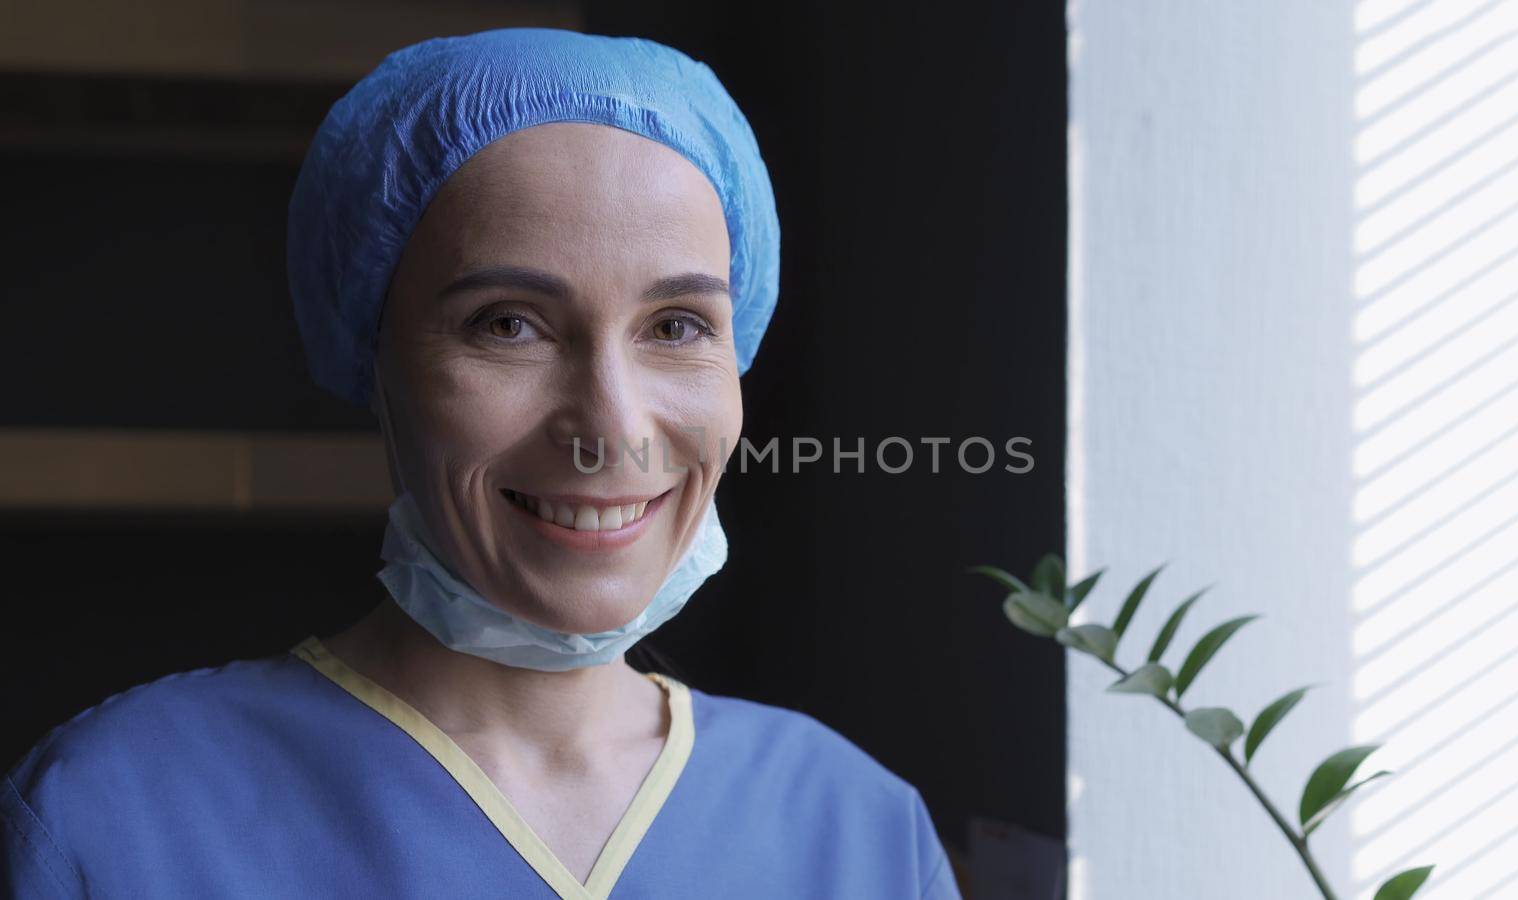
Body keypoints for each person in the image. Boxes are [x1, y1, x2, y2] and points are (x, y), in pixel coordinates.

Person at [0, 28, 962, 900]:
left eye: (676, 326)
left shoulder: (860, 833)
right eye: (508, 324)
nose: (612, 428)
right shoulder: (115, 824)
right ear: (371, 358)